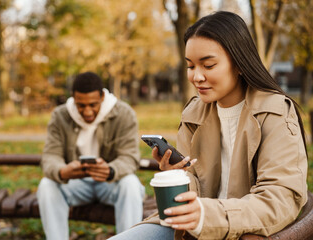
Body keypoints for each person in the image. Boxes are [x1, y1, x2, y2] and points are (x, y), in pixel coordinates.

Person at [109, 11, 308, 240]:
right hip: (187, 224)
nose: (196, 77)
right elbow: (198, 184)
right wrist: (178, 177)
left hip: (240, 229)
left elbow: (279, 197)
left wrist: (206, 215)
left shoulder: (274, 112)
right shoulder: (194, 114)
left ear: (240, 64)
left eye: (208, 65)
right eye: (190, 66)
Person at [37, 71, 145, 240]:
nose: (87, 111)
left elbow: (130, 157)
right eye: (81, 105)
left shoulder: (124, 114)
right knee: (46, 185)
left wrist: (110, 170)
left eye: (93, 105)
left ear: (102, 97)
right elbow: (50, 156)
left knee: (130, 183)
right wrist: (62, 172)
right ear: (73, 98)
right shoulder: (60, 115)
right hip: (76, 184)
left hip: (110, 183)